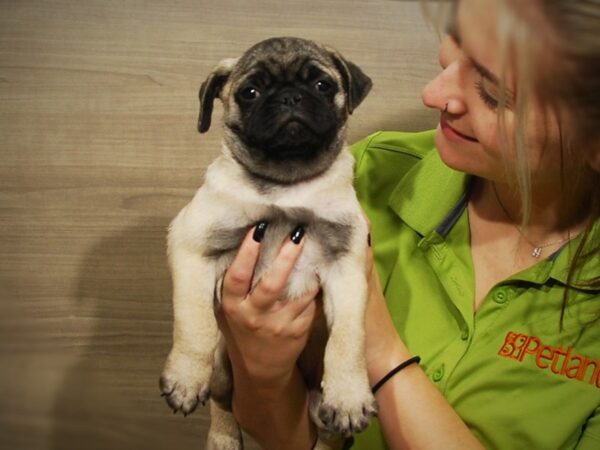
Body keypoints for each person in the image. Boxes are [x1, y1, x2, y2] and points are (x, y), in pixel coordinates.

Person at [215, 0, 600, 448]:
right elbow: (286, 433)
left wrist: (376, 345)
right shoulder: (369, 174)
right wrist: (261, 367)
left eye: (495, 93)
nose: (433, 95)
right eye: (451, 52)